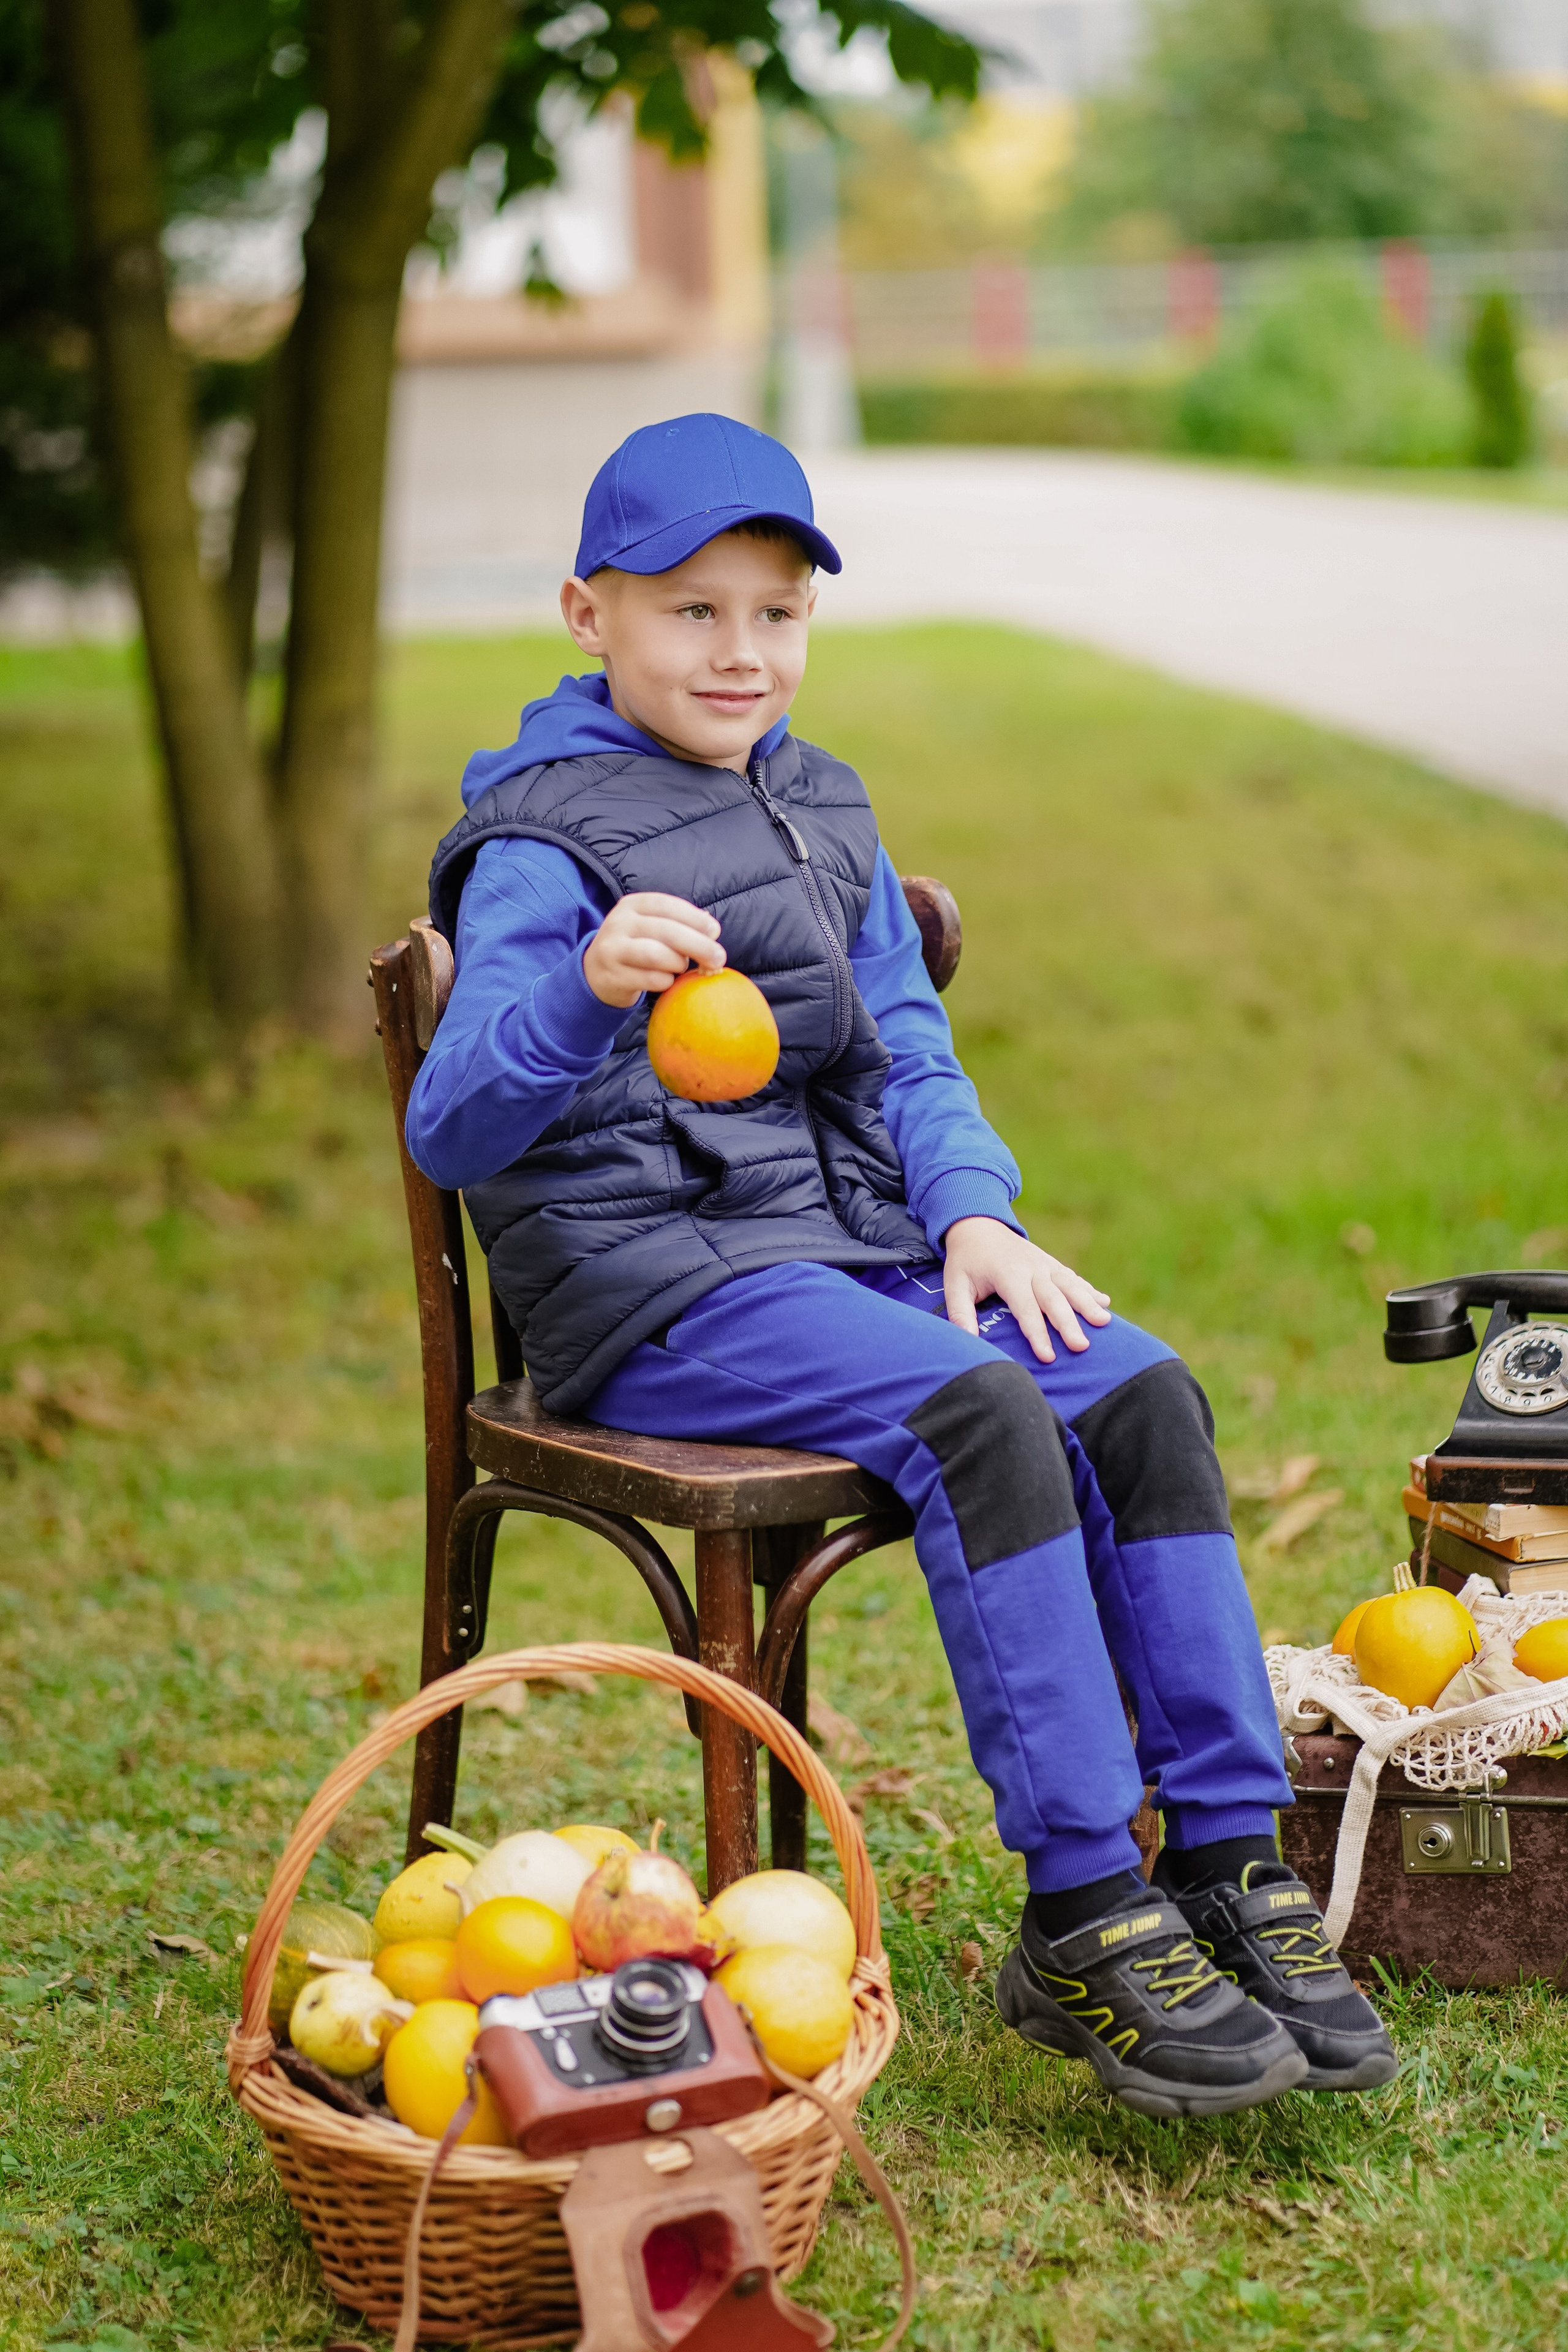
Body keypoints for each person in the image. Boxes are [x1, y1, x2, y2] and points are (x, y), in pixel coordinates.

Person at [406, 412, 1395, 2118]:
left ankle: (1234, 1860)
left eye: (774, 614)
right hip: (659, 1297)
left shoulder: (823, 808)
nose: (740, 652)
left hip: (851, 1261)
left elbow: (908, 1056)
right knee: (981, 1410)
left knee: (1140, 1388)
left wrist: (973, 1216)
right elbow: (456, 1120)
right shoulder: (538, 839)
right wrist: (580, 994)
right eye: (690, 612)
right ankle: (1085, 1904)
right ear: (590, 616)